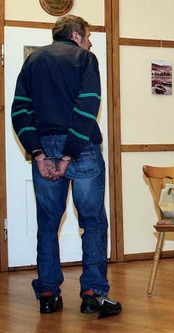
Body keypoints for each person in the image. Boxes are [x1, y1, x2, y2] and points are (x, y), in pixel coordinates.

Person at [10, 15, 121, 316]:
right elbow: (88, 106)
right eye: (88, 36)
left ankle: (48, 294)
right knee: (93, 223)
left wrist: (39, 153)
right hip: (81, 149)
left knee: (47, 225)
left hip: (44, 148)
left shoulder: (33, 61)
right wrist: (70, 153)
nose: (90, 42)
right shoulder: (86, 59)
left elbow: (20, 110)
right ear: (75, 35)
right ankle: (93, 294)